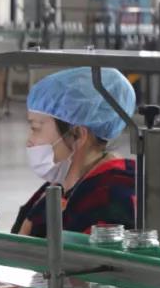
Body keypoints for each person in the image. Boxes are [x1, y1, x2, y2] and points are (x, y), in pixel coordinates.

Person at [12, 67, 137, 237]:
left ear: (78, 134)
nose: (29, 141)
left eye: (36, 128)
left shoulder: (112, 196)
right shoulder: (61, 185)